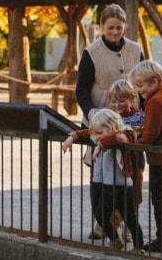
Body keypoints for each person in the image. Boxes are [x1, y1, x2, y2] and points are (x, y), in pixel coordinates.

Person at [101, 60, 162, 253]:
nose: (139, 91)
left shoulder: (156, 101)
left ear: (154, 82)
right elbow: (152, 128)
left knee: (160, 199)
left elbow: (151, 135)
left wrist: (130, 145)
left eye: (141, 86)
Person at [75, 4, 144, 240]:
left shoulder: (136, 50)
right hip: (100, 120)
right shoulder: (91, 52)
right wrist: (91, 111)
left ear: (125, 26)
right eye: (110, 28)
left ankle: (127, 221)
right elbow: (81, 89)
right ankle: (102, 222)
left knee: (130, 173)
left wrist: (143, 116)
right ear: (102, 27)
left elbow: (143, 84)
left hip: (130, 122)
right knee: (100, 176)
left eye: (119, 28)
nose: (115, 32)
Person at [62, 79, 146, 246]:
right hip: (104, 181)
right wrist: (72, 137)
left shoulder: (128, 127)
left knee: (129, 215)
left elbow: (122, 136)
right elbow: (89, 132)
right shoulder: (105, 124)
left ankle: (139, 246)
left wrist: (103, 143)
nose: (117, 104)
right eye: (114, 101)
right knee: (101, 214)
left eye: (121, 100)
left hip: (123, 180)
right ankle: (115, 239)